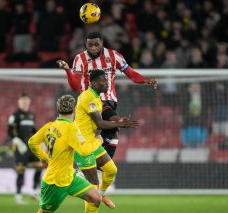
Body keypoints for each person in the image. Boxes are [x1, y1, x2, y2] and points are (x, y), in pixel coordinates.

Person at [16, 95, 104, 213]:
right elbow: (84, 151)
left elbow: (32, 142)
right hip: (55, 181)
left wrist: (44, 158)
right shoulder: (71, 128)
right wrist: (98, 140)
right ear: (75, 110)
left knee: (96, 197)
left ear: (58, 110)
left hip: (69, 176)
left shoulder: (50, 126)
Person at [57, 30, 157, 159]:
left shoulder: (114, 56)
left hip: (109, 100)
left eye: (96, 44)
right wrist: (67, 71)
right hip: (90, 101)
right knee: (115, 123)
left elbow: (131, 73)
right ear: (85, 44)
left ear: (102, 43)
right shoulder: (79, 59)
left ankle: (98, 164)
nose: (93, 48)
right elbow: (75, 86)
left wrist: (146, 80)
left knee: (112, 133)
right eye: (90, 45)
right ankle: (99, 165)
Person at [73, 69, 139, 213]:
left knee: (111, 170)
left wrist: (120, 121)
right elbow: (100, 122)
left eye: (107, 80)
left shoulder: (96, 97)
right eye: (103, 81)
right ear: (94, 82)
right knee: (93, 187)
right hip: (82, 145)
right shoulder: (88, 97)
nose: (106, 83)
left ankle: (101, 196)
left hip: (92, 143)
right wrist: (122, 125)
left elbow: (106, 117)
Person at [8, 93, 44, 204]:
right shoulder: (14, 115)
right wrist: (18, 142)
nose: (25, 102)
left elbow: (34, 131)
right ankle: (18, 195)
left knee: (39, 166)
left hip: (31, 146)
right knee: (21, 170)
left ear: (29, 102)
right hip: (20, 147)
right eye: (22, 100)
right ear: (19, 102)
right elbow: (10, 131)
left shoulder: (31, 115)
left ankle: (34, 191)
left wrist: (40, 142)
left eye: (26, 100)